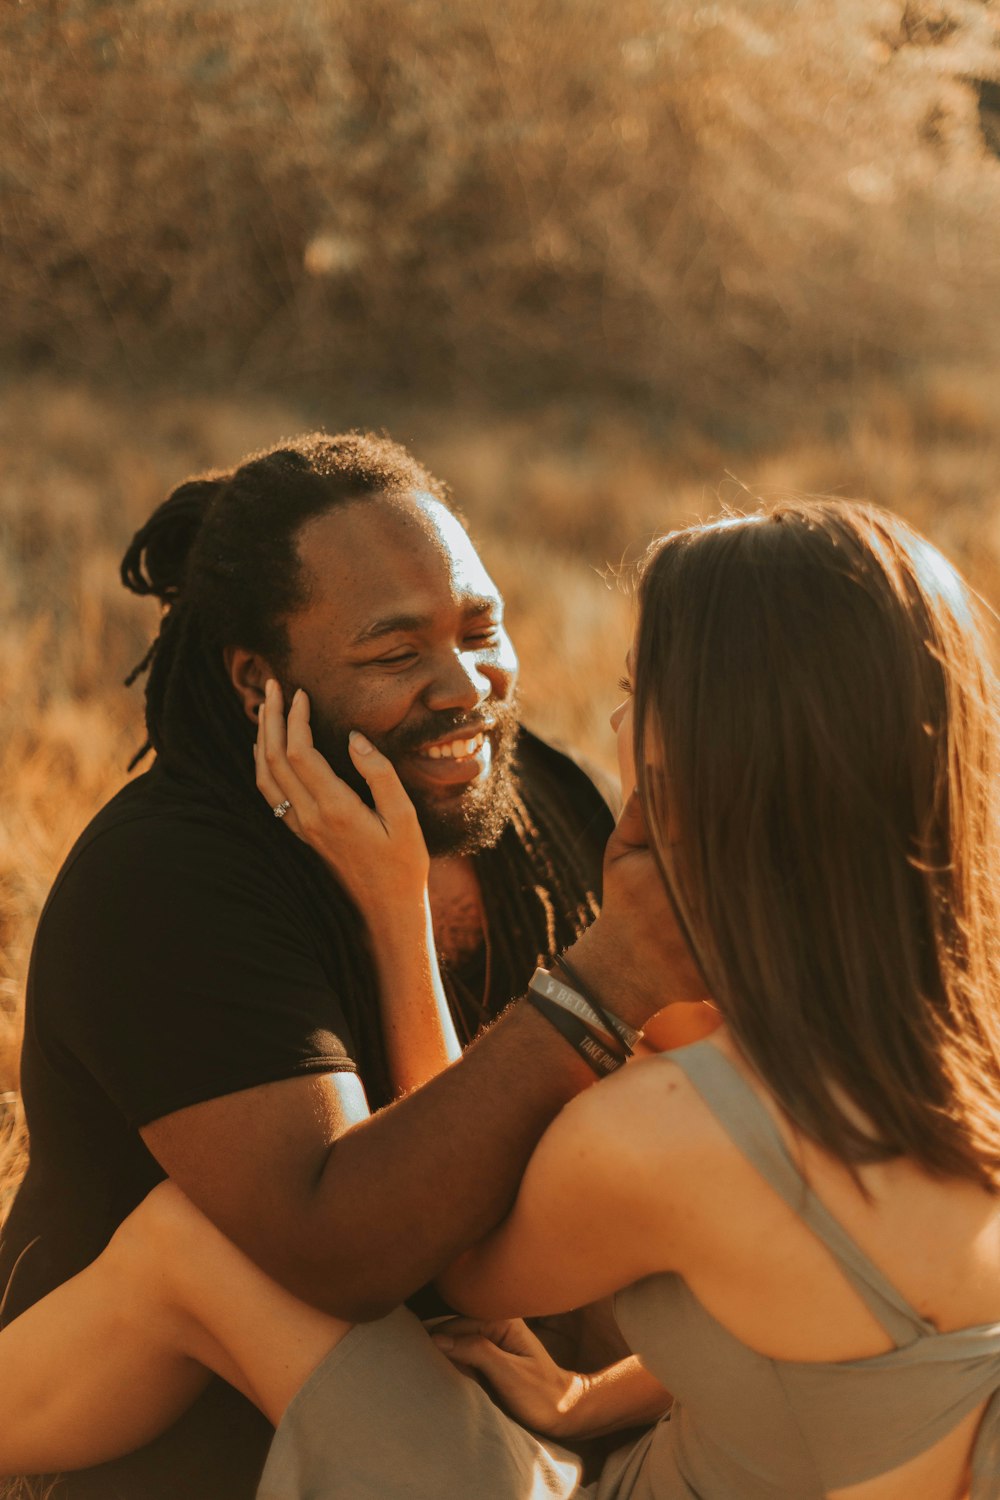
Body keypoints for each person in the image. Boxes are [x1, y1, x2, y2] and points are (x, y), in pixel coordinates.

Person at [4, 496, 1000, 1499]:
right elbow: (834, 1329)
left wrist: (396, 916)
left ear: (715, 741)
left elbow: (447, 1252)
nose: (611, 721)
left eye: (633, 690)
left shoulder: (680, 1133)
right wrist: (590, 1400)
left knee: (197, 1242)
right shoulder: (964, 1056)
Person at [0, 433, 707, 1500]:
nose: (466, 684)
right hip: (222, 1453)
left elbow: (690, 1146)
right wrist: (600, 987)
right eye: (393, 654)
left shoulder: (544, 803)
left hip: (511, 1400)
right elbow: (341, 1250)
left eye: (482, 628)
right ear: (257, 682)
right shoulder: (174, 881)